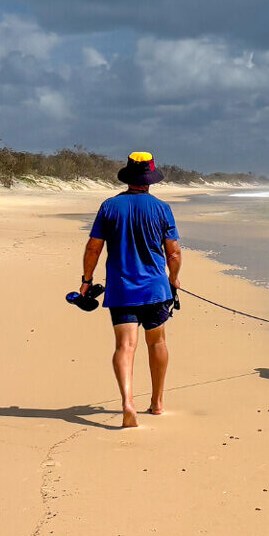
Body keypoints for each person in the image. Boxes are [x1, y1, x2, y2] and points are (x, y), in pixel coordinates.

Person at [79, 151, 182, 428]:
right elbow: (173, 253)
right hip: (155, 290)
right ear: (150, 178)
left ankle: (128, 403)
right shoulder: (162, 208)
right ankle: (157, 403)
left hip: (122, 289)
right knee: (157, 342)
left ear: (129, 176)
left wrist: (86, 281)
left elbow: (93, 247)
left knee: (125, 346)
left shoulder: (110, 206)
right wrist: (174, 279)